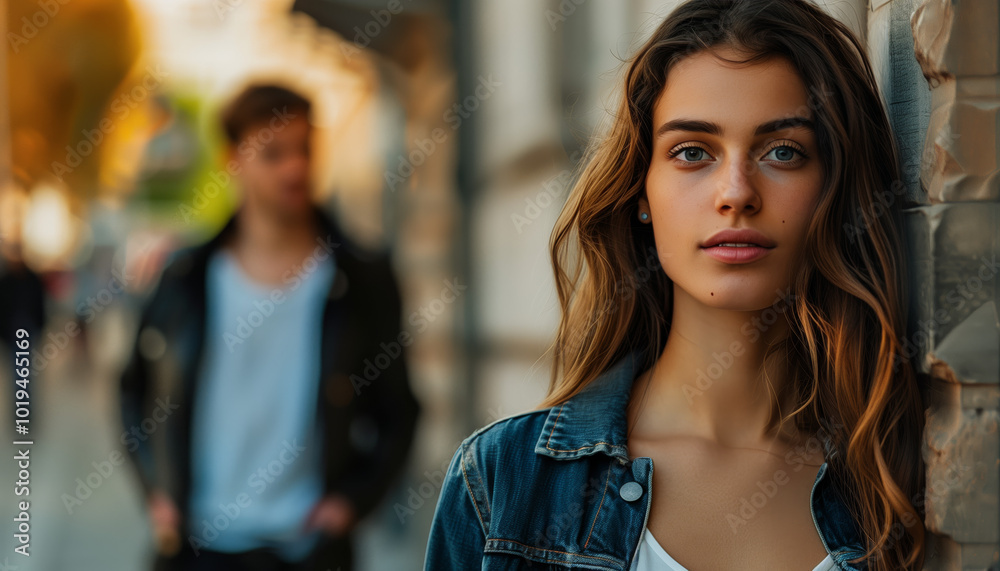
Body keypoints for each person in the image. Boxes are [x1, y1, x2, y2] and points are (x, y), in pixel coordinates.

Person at [424, 0, 926, 569]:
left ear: (835, 186)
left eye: (783, 151)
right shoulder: (501, 485)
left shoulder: (903, 479)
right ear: (642, 192)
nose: (736, 192)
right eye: (692, 152)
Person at [120, 84, 421, 571]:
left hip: (308, 551)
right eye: (274, 153)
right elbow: (132, 389)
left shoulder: (361, 277)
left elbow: (400, 409)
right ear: (232, 159)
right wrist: (158, 491)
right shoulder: (185, 277)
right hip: (197, 549)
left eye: (304, 149)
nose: (296, 167)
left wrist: (349, 504)